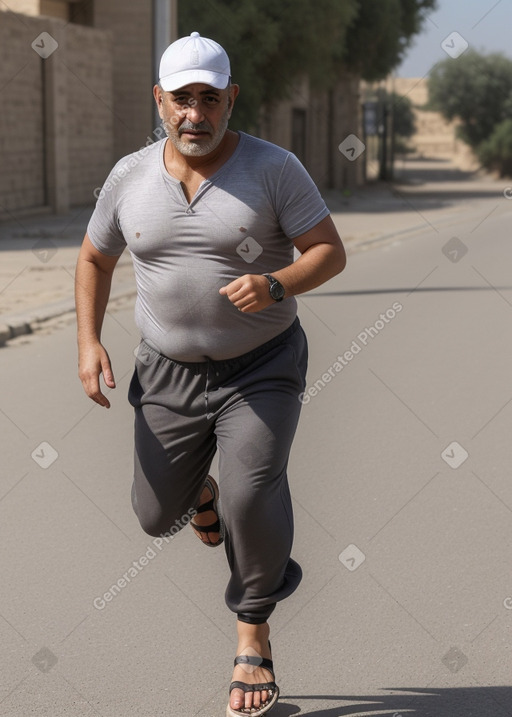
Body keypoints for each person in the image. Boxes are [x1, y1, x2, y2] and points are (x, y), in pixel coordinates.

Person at [75, 31, 346, 717]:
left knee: (251, 492)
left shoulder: (274, 168)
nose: (195, 114)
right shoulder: (129, 178)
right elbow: (94, 258)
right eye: (181, 100)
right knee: (153, 515)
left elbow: (328, 251)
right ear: (159, 101)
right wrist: (87, 340)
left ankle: (252, 631)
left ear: (231, 99)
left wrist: (278, 285)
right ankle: (197, 489)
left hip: (261, 367)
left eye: (208, 98)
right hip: (165, 373)